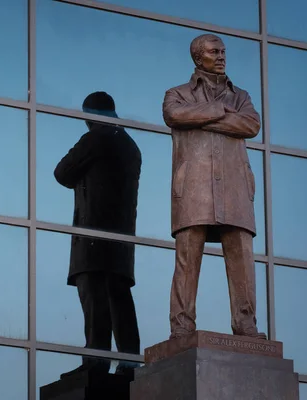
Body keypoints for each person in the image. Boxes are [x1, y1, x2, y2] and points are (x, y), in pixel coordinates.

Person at [162, 34, 267, 340]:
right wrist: (223, 112)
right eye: (214, 51)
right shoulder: (177, 94)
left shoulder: (242, 97)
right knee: (187, 258)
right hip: (194, 188)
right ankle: (181, 326)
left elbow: (251, 124)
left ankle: (246, 324)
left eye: (223, 51)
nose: (222, 56)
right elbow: (175, 115)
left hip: (235, 189)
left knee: (242, 259)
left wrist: (202, 117)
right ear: (199, 58)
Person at [54, 91, 142, 377]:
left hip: (94, 232)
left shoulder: (98, 137)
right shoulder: (130, 144)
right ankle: (129, 363)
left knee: (94, 296)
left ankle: (96, 360)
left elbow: (62, 172)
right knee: (118, 297)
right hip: (121, 238)